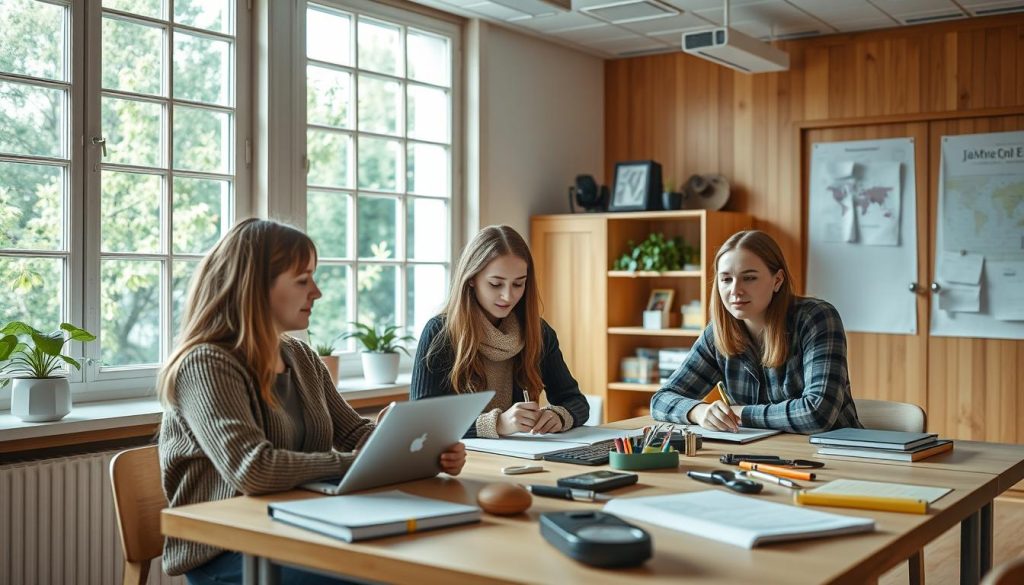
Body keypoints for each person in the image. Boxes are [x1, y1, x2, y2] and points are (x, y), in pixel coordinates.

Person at [157, 218, 466, 584]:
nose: (316, 292)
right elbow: (254, 469)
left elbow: (354, 432)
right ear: (256, 289)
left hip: (299, 526)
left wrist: (420, 451)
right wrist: (355, 464)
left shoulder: (301, 357)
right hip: (227, 552)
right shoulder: (206, 364)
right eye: (303, 280)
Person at [650, 230, 861, 434]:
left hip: (835, 456)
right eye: (726, 279)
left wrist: (739, 413)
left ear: (777, 280)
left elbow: (818, 413)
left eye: (749, 278)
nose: (735, 290)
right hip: (759, 455)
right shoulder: (718, 333)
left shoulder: (817, 318)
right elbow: (661, 400)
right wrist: (699, 411)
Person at [410, 225, 590, 437]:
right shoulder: (440, 332)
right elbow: (421, 421)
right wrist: (497, 424)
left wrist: (560, 415)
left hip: (521, 458)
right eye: (496, 284)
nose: (508, 296)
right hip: (462, 461)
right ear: (471, 280)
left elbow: (575, 401)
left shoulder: (539, 332)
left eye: (518, 284)